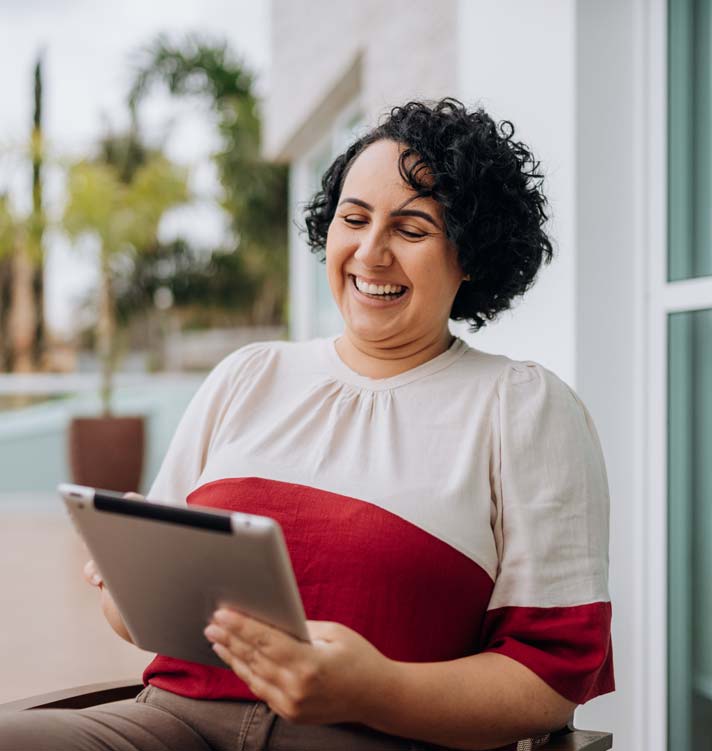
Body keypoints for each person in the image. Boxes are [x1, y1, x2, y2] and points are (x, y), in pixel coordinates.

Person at [0, 98, 614, 751]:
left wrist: (374, 689)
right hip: (170, 721)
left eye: (410, 229)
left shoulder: (522, 405)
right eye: (354, 219)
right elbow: (136, 621)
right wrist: (124, 575)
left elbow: (551, 681)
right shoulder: (249, 374)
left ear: (470, 253)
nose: (370, 252)